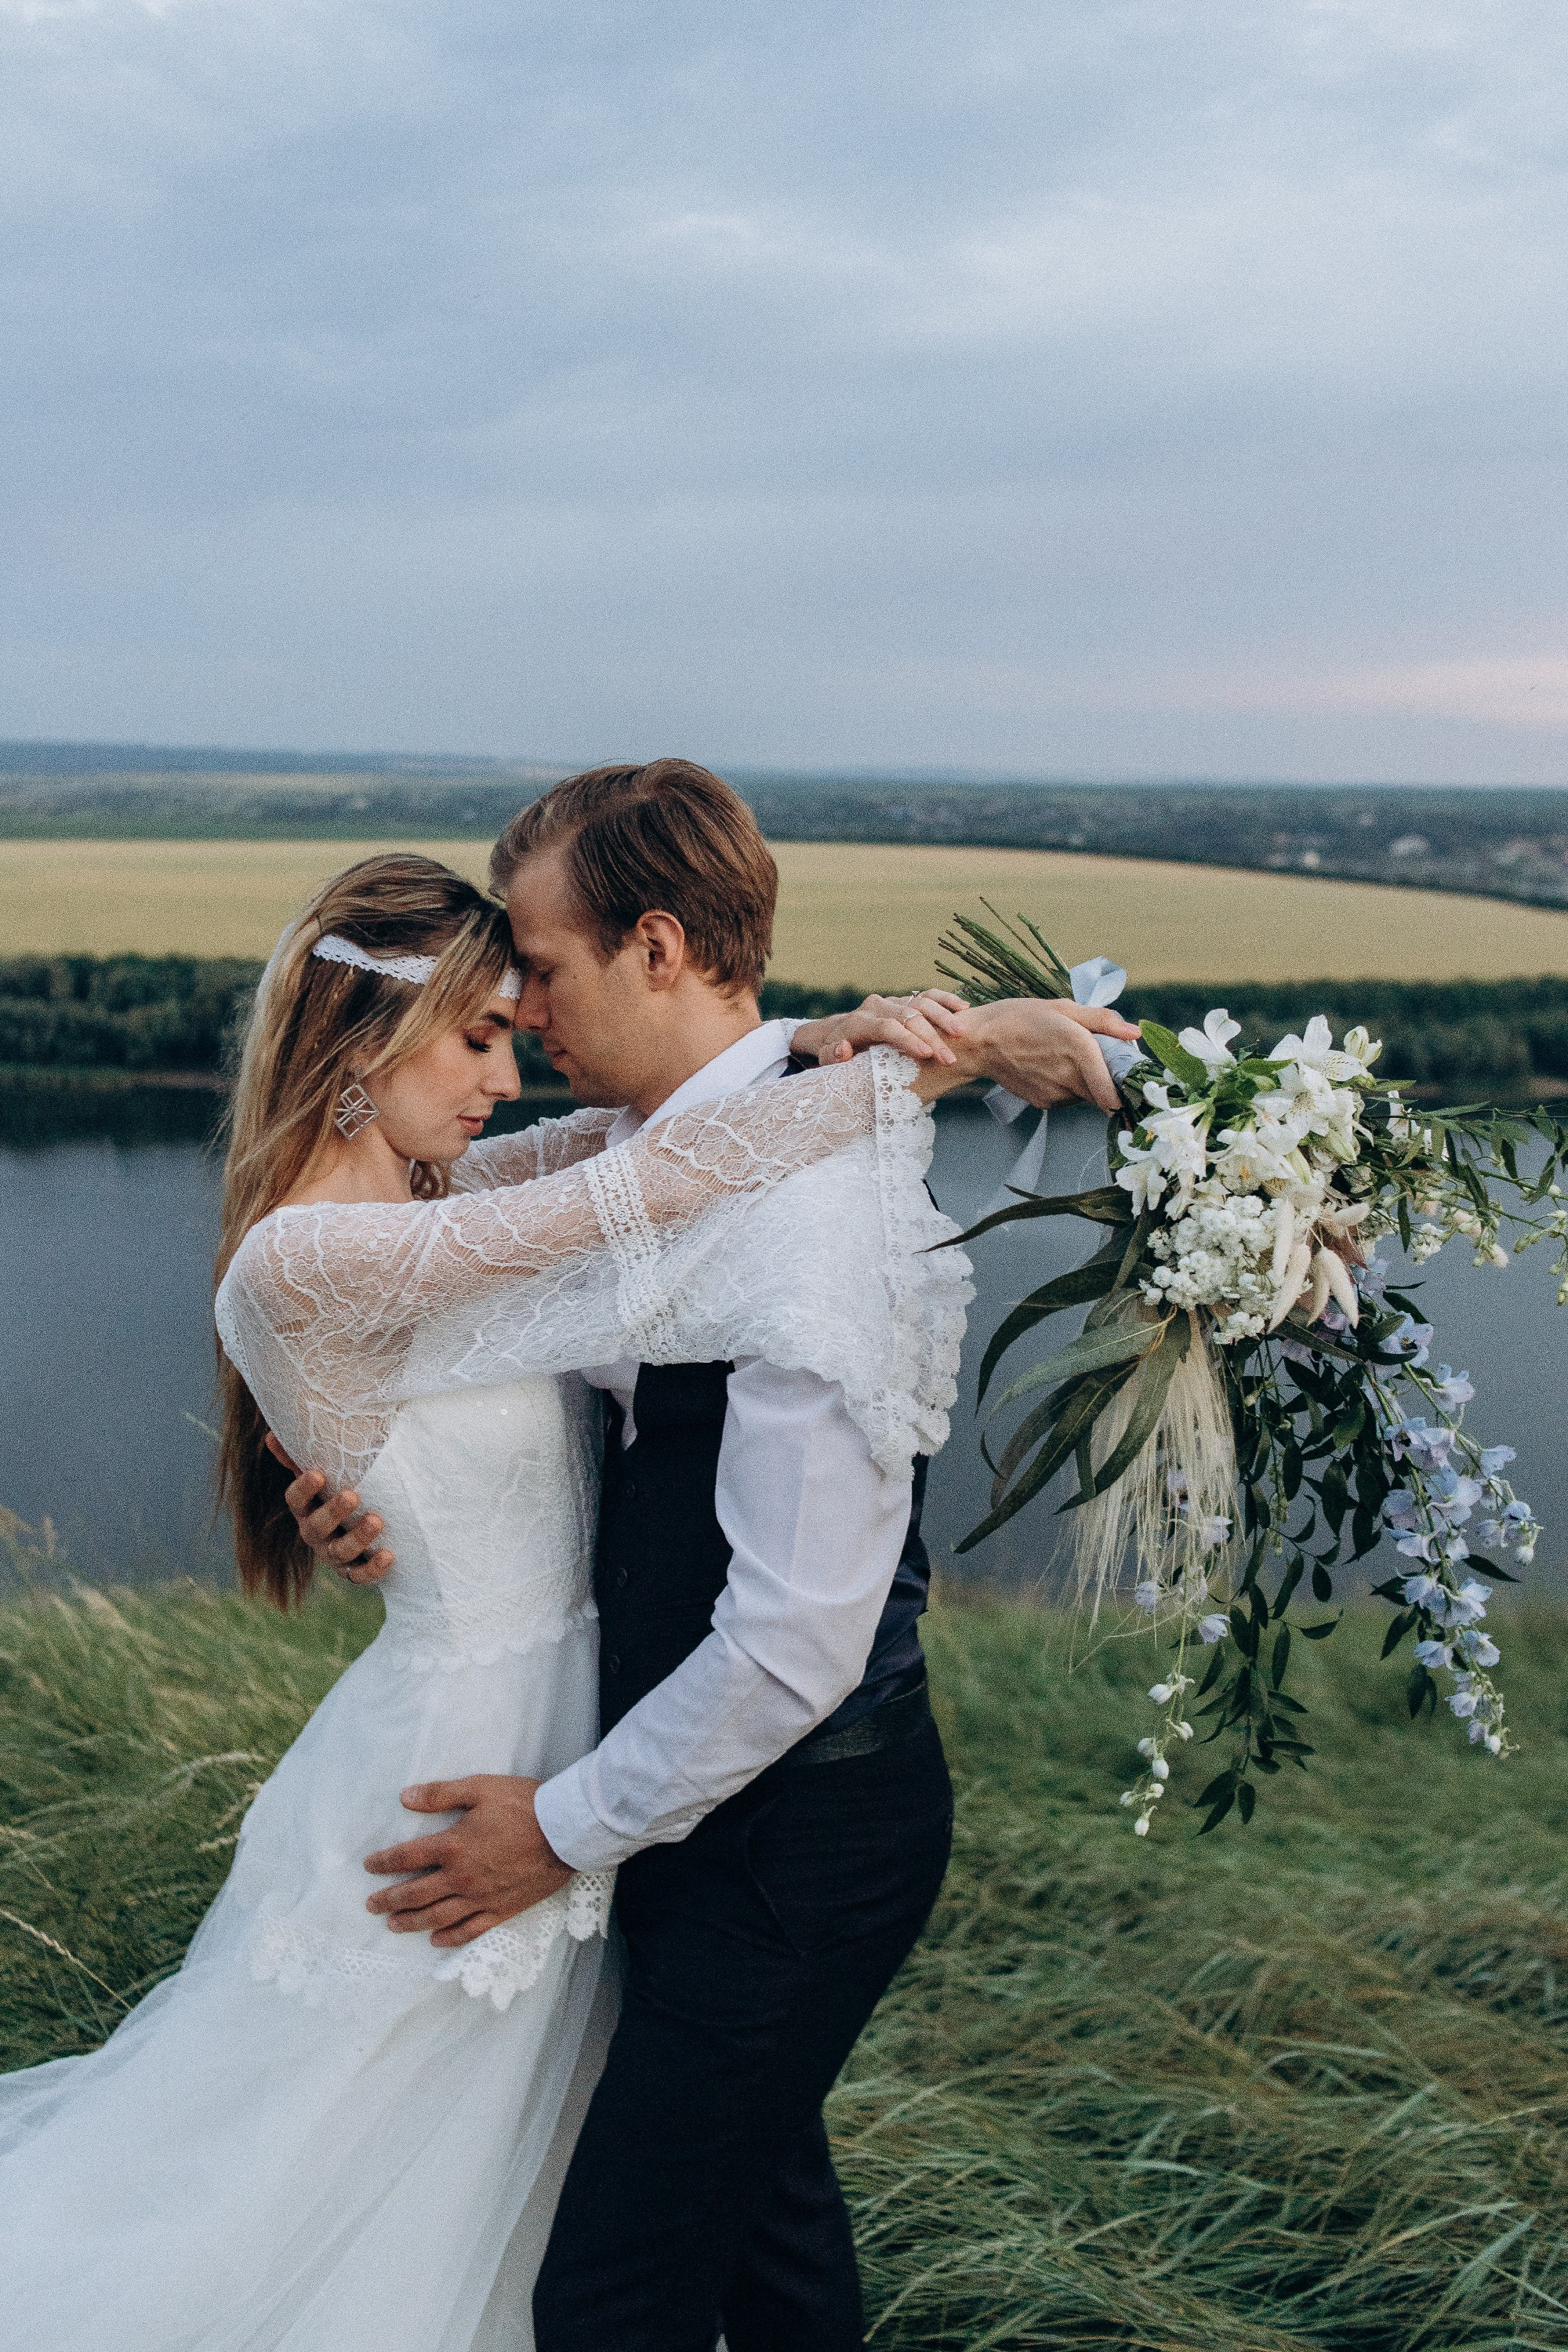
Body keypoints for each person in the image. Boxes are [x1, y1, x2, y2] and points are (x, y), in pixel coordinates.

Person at [0, 842, 1123, 2352]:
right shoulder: (307, 1257)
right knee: (360, 2177)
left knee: (645, 2187)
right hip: (465, 1755)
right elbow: (644, 1185)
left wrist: (807, 1038)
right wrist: (948, 1058)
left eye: (513, 1016)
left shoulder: (443, 1190)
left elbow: (628, 1147)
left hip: (582, 1745)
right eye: (474, 1033)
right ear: (358, 1048)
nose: (507, 1064)